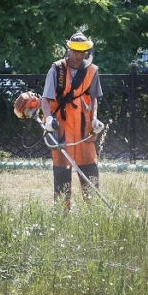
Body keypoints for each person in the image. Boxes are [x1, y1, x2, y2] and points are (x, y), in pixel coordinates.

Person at [40, 32, 103, 211]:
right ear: (69, 50)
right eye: (74, 51)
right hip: (62, 128)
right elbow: (46, 98)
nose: (77, 55)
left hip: (84, 130)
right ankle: (62, 212)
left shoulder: (92, 71)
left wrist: (94, 119)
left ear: (87, 52)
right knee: (62, 170)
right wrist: (49, 118)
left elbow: (94, 98)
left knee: (89, 167)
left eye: (81, 52)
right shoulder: (57, 69)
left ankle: (93, 210)